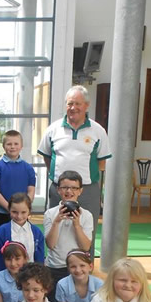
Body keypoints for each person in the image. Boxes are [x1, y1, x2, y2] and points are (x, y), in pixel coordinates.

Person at [37, 85, 112, 257]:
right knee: (56, 226)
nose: (73, 108)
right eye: (70, 103)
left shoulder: (98, 130)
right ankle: (56, 265)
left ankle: (86, 267)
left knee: (86, 229)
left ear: (86, 105)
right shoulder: (53, 129)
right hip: (58, 189)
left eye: (78, 103)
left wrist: (83, 181)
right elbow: (47, 156)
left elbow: (102, 163)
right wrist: (60, 180)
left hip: (88, 190)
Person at [43, 170, 93, 302]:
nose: (69, 191)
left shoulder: (86, 215)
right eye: (65, 187)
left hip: (77, 268)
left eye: (74, 188)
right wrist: (57, 222)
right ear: (59, 190)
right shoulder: (50, 213)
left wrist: (77, 225)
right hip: (55, 267)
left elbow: (85, 247)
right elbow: (51, 245)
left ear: (80, 191)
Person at [0, 130, 36, 234]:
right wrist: (10, 208)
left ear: (21, 146)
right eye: (9, 144)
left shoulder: (28, 168)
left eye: (16, 144)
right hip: (1, 213)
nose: (12, 147)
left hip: (21, 214)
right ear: (3, 146)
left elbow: (31, 190)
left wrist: (24, 207)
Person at [0, 192, 45, 275]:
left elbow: (39, 258)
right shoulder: (2, 231)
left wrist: (39, 276)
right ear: (9, 210)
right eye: (14, 212)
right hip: (8, 276)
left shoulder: (36, 232)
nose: (19, 216)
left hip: (30, 277)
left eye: (23, 212)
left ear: (29, 211)